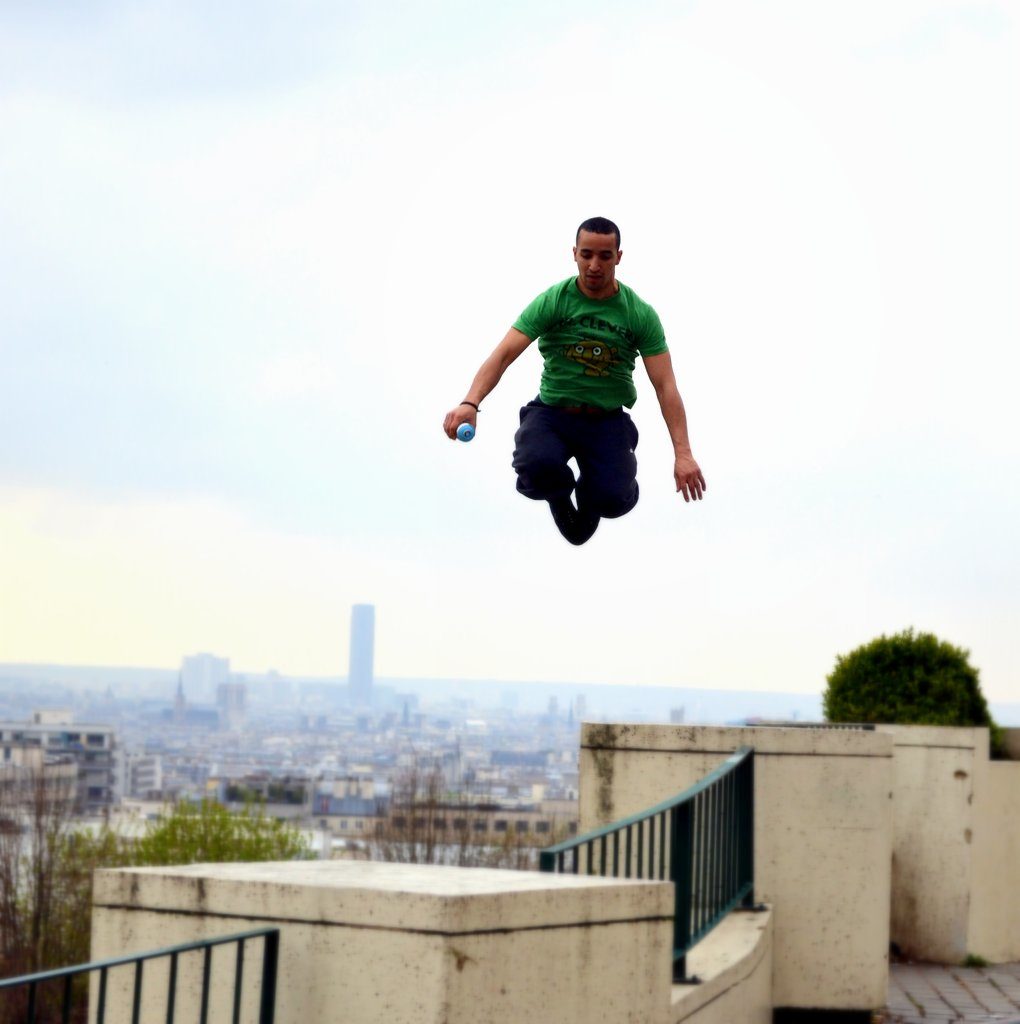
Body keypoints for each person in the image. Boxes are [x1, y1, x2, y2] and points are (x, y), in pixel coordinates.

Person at [443, 216, 706, 545]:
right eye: (586, 255)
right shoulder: (555, 300)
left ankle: (598, 488)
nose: (594, 265)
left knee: (612, 498)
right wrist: (470, 402)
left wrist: (683, 453)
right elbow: (504, 354)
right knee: (535, 464)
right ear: (574, 254)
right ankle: (560, 496)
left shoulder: (638, 313)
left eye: (605, 256)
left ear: (618, 257)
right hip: (553, 414)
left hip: (606, 421)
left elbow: (665, 386)